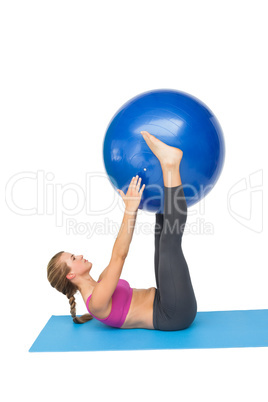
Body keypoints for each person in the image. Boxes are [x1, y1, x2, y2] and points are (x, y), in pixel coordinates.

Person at [47, 131, 197, 331]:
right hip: (172, 314)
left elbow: (120, 247)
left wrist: (131, 209)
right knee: (169, 243)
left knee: (161, 229)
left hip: (166, 300)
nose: (79, 255)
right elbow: (119, 255)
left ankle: (166, 174)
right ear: (70, 276)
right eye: (73, 259)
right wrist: (129, 210)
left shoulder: (100, 282)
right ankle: (170, 163)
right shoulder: (96, 302)